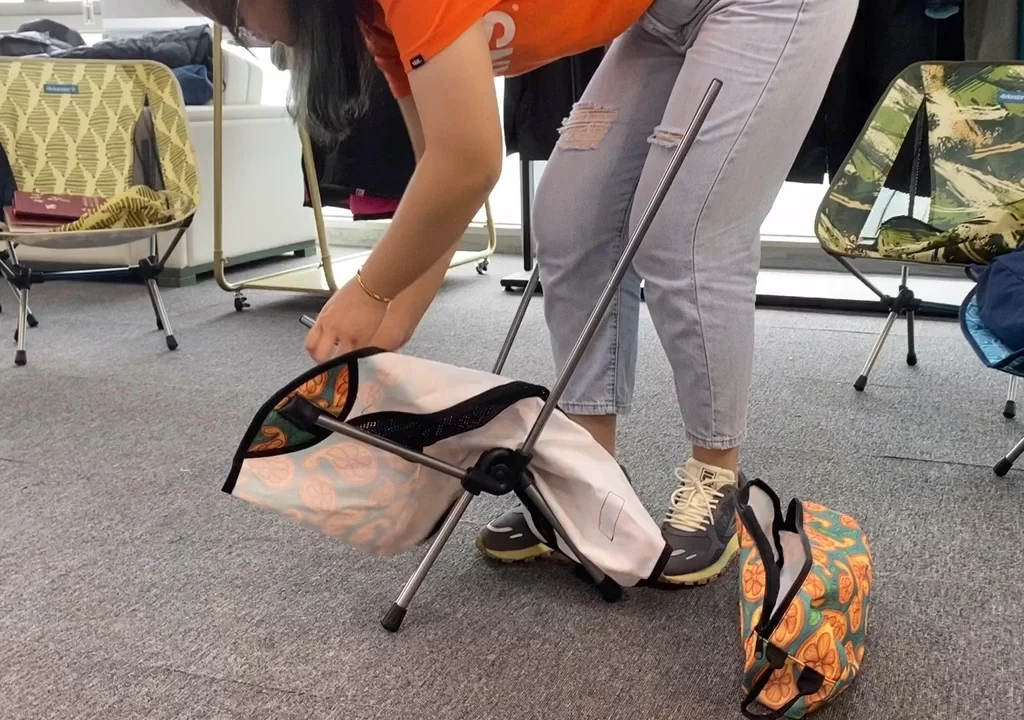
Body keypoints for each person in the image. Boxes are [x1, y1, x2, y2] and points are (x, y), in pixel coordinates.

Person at [185, 0, 859, 584]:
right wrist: (394, 317)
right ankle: (588, 473)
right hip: (660, 17)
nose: (252, 36)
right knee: (569, 219)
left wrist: (370, 289)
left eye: (234, 15)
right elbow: (436, 178)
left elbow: (470, 161)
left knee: (685, 231)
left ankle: (716, 479)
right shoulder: (377, 21)